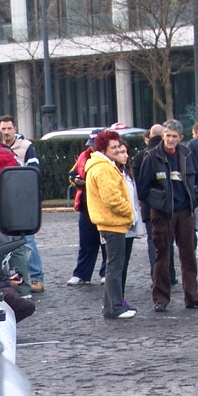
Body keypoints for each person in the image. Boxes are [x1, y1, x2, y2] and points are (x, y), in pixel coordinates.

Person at [136, 120, 198, 312]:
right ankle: (161, 298)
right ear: (163, 136)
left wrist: (194, 197)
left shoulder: (186, 154)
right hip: (162, 213)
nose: (170, 140)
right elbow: (143, 188)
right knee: (162, 256)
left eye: (174, 137)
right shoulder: (152, 156)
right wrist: (158, 202)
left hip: (185, 211)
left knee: (188, 255)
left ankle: (192, 297)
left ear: (180, 138)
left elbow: (194, 179)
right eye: (168, 135)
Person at [83, 130, 136, 320]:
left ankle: (111, 305)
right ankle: (114, 307)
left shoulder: (101, 165)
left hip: (110, 223)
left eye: (117, 146)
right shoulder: (103, 168)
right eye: (113, 147)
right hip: (112, 223)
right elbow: (112, 198)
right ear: (104, 149)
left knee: (114, 266)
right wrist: (130, 212)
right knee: (115, 268)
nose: (116, 149)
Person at [0, 114, 44, 293]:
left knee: (28, 243)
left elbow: (34, 172)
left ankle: (37, 278)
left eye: (9, 128)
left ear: (15, 129)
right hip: (5, 203)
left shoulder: (26, 147)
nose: (6, 132)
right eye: (3, 129)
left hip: (24, 202)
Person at [66, 131, 106, 286]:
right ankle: (82, 274)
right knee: (86, 242)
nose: (93, 148)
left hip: (103, 204)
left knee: (106, 242)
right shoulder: (84, 156)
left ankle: (106, 272)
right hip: (86, 204)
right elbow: (72, 174)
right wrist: (77, 181)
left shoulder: (110, 157)